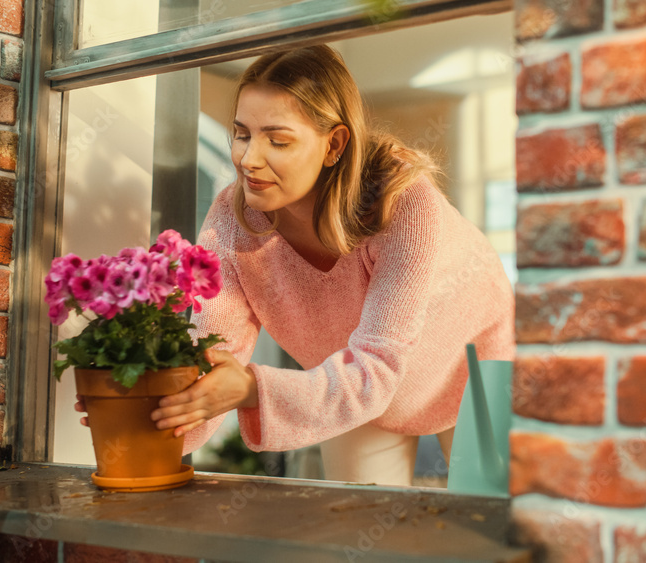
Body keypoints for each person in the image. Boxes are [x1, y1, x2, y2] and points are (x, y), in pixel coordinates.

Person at [85, 44, 514, 487]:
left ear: (334, 144)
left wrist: (251, 388)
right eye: (242, 134)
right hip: (355, 382)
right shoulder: (232, 221)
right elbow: (215, 355)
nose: (249, 159)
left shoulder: (404, 205)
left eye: (278, 140)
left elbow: (378, 369)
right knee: (358, 534)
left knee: (489, 526)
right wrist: (136, 406)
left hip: (471, 360)